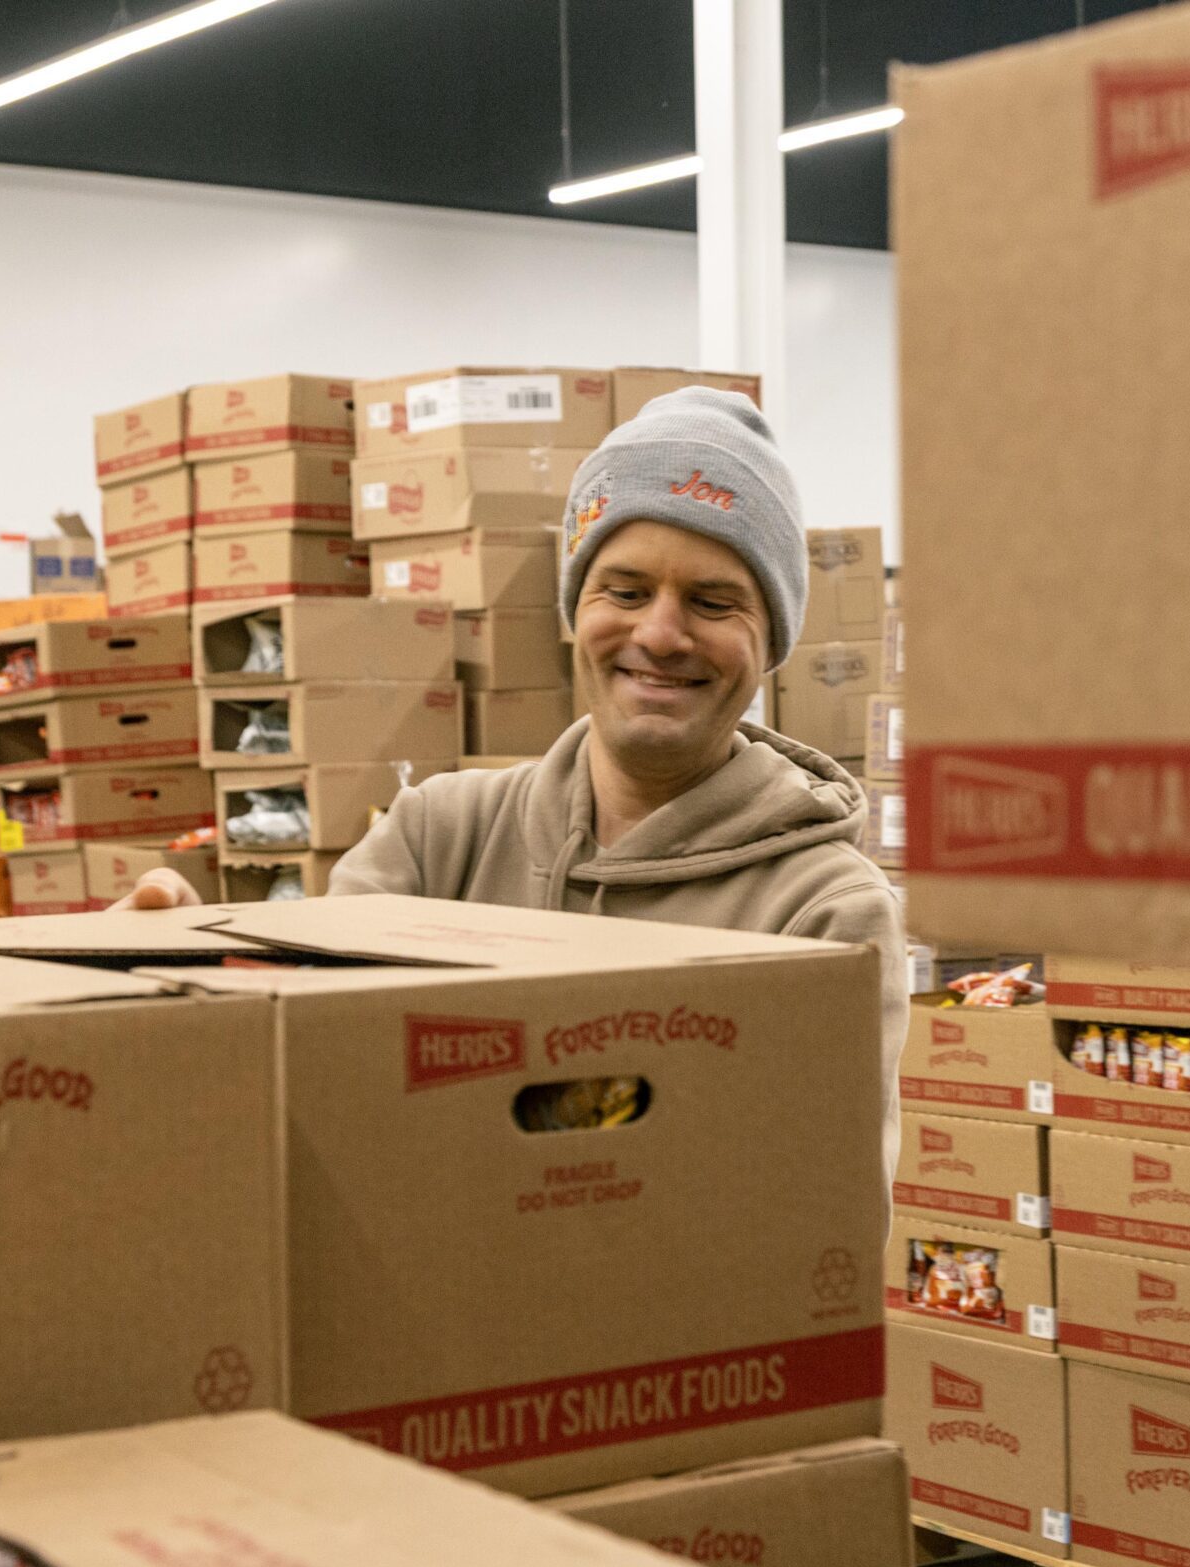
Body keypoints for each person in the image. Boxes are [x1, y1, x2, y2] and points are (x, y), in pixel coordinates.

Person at [122, 386, 908, 1174]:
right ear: (575, 609)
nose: (661, 634)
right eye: (626, 591)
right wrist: (184, 986)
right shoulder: (438, 839)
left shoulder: (822, 910)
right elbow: (300, 1081)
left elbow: (817, 1213)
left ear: (769, 640)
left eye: (712, 601)